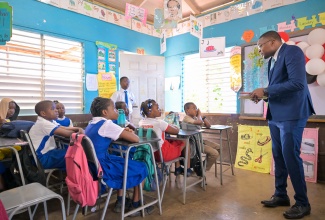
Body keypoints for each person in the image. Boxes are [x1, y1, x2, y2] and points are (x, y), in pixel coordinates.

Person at [249, 31, 315, 219]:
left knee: (290, 156)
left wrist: (267, 89)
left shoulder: (292, 52)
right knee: (278, 156)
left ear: (272, 42)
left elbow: (297, 84)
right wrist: (263, 94)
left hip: (292, 114)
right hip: (276, 114)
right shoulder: (272, 61)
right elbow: (278, 87)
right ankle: (281, 195)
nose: (259, 50)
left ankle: (303, 203)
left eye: (260, 46)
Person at [85, 97, 154, 216]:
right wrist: (127, 133)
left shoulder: (91, 123)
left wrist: (122, 131)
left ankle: (120, 200)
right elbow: (136, 139)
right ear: (105, 112)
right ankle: (136, 205)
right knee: (142, 167)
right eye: (114, 108)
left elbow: (109, 134)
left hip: (93, 167)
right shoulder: (106, 124)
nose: (116, 111)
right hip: (105, 167)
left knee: (122, 160)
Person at [138, 99, 193, 177]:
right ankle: (187, 169)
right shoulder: (160, 123)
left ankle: (177, 167)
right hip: (162, 154)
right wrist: (174, 125)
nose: (160, 109)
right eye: (157, 108)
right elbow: (176, 131)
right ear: (150, 111)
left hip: (149, 154)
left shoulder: (141, 122)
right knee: (185, 141)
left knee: (171, 142)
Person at [29, 100, 84, 170]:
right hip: (42, 158)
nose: (56, 111)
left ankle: (71, 176)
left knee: (72, 153)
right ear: (43, 113)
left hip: (46, 154)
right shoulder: (43, 123)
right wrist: (80, 132)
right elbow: (67, 133)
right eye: (53, 109)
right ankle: (75, 177)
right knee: (74, 154)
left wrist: (78, 128)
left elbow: (63, 128)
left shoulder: (49, 121)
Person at [183, 102, 220, 171]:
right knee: (214, 153)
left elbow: (208, 125)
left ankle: (201, 166)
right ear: (187, 110)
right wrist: (199, 115)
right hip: (193, 144)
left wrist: (202, 116)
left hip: (200, 141)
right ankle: (202, 170)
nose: (196, 110)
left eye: (196, 108)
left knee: (219, 148)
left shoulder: (195, 118)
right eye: (194, 108)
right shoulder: (187, 118)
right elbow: (199, 122)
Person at [0, 98, 21, 191]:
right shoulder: (1, 120)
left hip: (7, 147)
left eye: (14, 108)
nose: (12, 111)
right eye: (9, 108)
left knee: (20, 150)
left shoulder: (9, 121)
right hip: (2, 149)